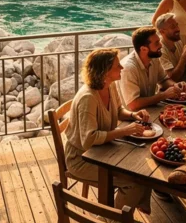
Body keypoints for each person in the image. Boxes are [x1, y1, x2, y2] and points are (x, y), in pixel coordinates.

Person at [64, 48, 153, 213]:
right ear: (105, 72)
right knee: (134, 182)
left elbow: (119, 110)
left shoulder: (110, 86)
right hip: (82, 158)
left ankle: (137, 203)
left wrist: (134, 115)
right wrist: (125, 131)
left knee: (142, 167)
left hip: (103, 150)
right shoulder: (88, 98)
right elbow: (88, 139)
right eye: (117, 66)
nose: (122, 68)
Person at [119, 26, 186, 111]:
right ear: (143, 49)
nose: (161, 45)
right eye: (157, 43)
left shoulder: (154, 58)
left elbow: (163, 80)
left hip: (151, 110)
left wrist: (175, 85)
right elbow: (133, 104)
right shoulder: (128, 68)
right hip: (133, 117)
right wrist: (163, 95)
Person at [155, 13, 186, 81]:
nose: (178, 29)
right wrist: (183, 57)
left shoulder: (178, 42)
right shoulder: (160, 50)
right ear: (162, 32)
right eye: (173, 27)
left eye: (177, 25)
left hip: (183, 82)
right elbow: (172, 78)